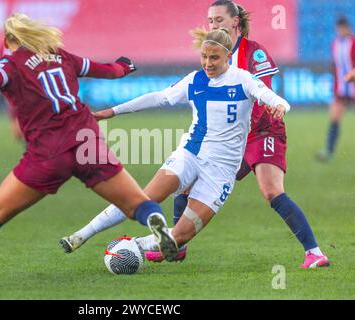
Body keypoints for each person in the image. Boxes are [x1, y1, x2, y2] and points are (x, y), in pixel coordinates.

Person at [0, 13, 177, 291]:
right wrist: (125, 66)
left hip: (49, 154)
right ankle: (153, 220)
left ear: (8, 40)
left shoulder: (9, 66)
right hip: (86, 141)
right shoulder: (60, 56)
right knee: (136, 202)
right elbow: (107, 71)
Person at [61, 0, 330, 269]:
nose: (213, 25)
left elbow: (265, 92)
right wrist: (113, 111)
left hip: (258, 133)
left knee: (271, 192)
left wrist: (278, 104)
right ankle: (123, 239)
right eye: (210, 21)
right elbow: (161, 97)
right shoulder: (197, 76)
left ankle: (313, 251)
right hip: (198, 150)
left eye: (218, 20)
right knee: (156, 194)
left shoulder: (250, 59)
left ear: (234, 22)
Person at [316, 16, 355, 162]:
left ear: (348, 28)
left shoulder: (353, 42)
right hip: (340, 88)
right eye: (339, 28)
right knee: (334, 119)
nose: (342, 31)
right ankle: (328, 151)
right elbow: (336, 66)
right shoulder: (335, 44)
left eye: (344, 28)